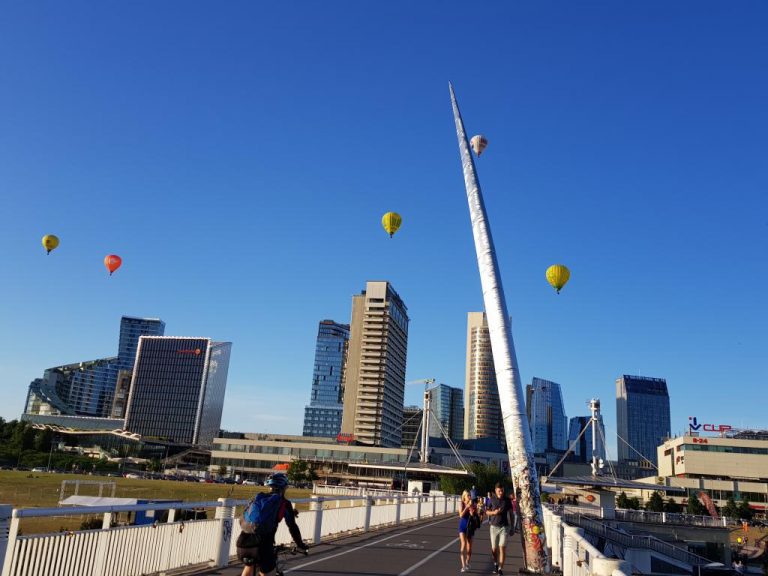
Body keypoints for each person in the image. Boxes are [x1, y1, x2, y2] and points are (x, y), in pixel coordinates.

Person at [238, 472, 307, 576]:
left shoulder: (257, 498)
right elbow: (292, 526)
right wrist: (300, 544)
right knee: (267, 572)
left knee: (249, 568)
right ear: (284, 488)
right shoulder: (284, 503)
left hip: (243, 543)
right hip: (263, 545)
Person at [487, 483, 515, 575]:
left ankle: (500, 569)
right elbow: (486, 511)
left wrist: (512, 527)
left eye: (502, 490)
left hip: (504, 527)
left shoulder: (507, 501)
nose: (501, 492)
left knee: (502, 547)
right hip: (493, 527)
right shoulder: (492, 500)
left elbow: (511, 514)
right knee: (494, 549)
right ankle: (495, 563)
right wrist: (493, 513)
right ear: (495, 491)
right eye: (499, 490)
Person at [458, 490, 477, 573]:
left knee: (469, 547)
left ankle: (467, 562)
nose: (469, 496)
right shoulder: (461, 503)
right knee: (463, 544)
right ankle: (463, 566)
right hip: (462, 526)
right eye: (468, 495)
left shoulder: (472, 504)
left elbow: (473, 515)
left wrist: (472, 511)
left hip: (470, 527)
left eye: (470, 495)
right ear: (464, 496)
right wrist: (466, 507)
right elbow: (461, 515)